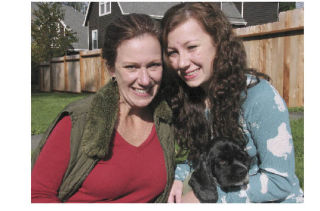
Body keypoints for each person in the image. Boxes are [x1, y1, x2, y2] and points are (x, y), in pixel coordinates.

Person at [161, 2, 304, 203]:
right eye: (172, 52)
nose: (182, 62)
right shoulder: (190, 98)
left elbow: (280, 182)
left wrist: (209, 199)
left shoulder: (258, 97)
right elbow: (198, 159)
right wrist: (178, 178)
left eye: (192, 47)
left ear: (218, 43)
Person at [31, 13, 176, 203]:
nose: (145, 80)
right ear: (111, 69)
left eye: (153, 65)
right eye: (131, 67)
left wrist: (179, 177)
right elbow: (36, 195)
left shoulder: (165, 119)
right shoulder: (78, 122)